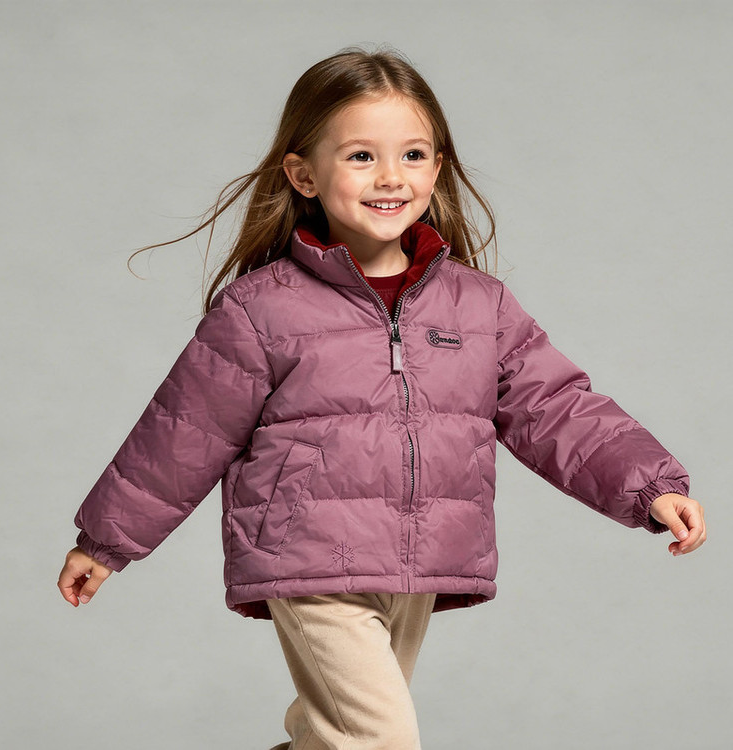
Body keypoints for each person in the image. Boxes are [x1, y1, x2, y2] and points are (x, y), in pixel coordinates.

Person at [57, 48, 706, 750]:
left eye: (414, 155)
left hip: (419, 557)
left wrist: (648, 485)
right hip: (307, 555)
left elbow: (555, 406)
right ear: (304, 174)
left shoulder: (478, 305)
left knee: (335, 737)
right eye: (361, 156)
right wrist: (107, 541)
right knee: (378, 741)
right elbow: (185, 431)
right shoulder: (261, 309)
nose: (392, 176)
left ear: (438, 167)